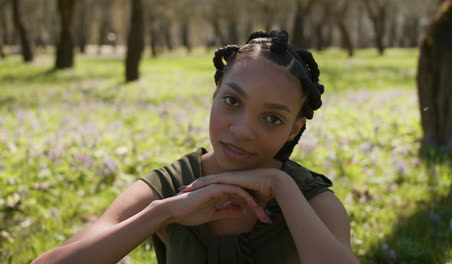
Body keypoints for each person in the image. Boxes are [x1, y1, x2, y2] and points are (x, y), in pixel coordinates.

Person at [33, 30, 358, 264]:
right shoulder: (167, 185)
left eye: (272, 119)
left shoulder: (314, 200)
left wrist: (281, 186)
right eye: (232, 101)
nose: (244, 130)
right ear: (215, 94)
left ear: (294, 129)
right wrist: (164, 211)